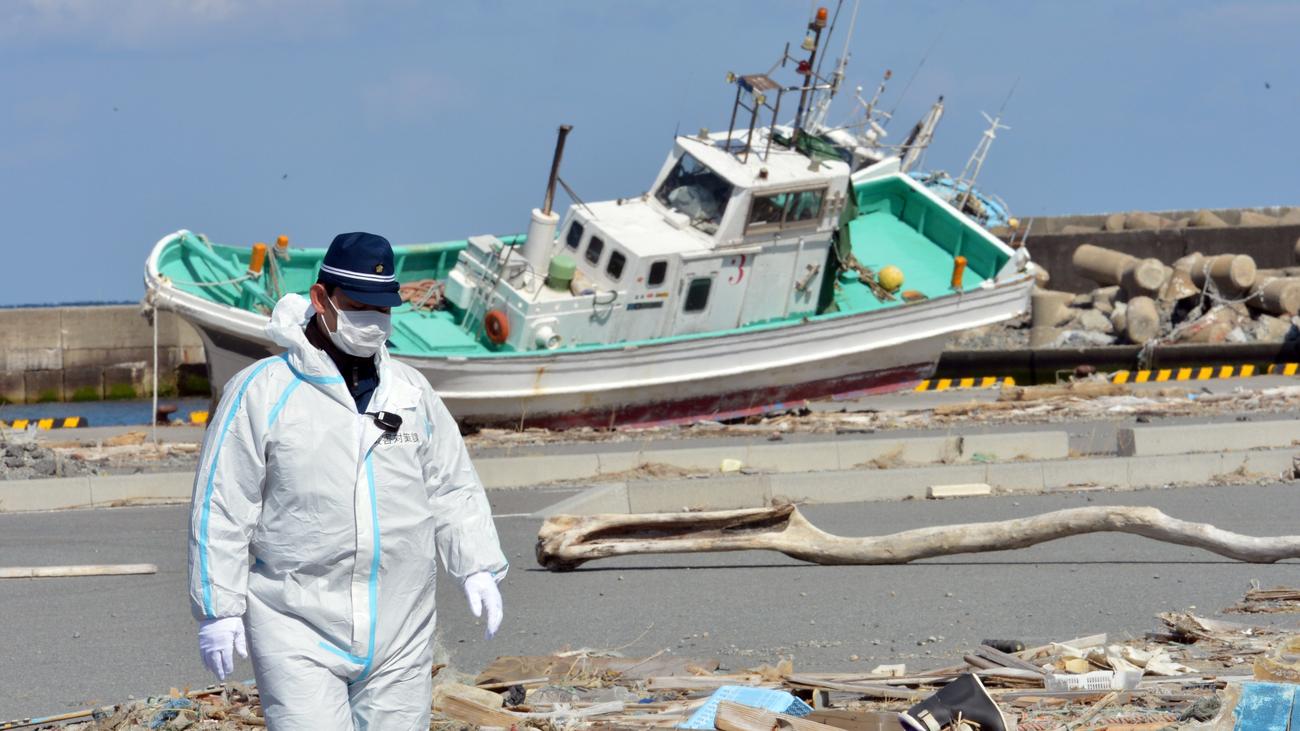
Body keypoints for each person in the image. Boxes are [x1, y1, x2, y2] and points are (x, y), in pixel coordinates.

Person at [187, 232, 508, 730]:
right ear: (321, 299)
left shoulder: (409, 391)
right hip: (296, 623)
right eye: (359, 307)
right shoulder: (263, 391)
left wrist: (477, 566)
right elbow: (224, 504)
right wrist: (218, 607)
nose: (373, 323)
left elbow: (450, 485)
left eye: (382, 310)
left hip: (401, 623)